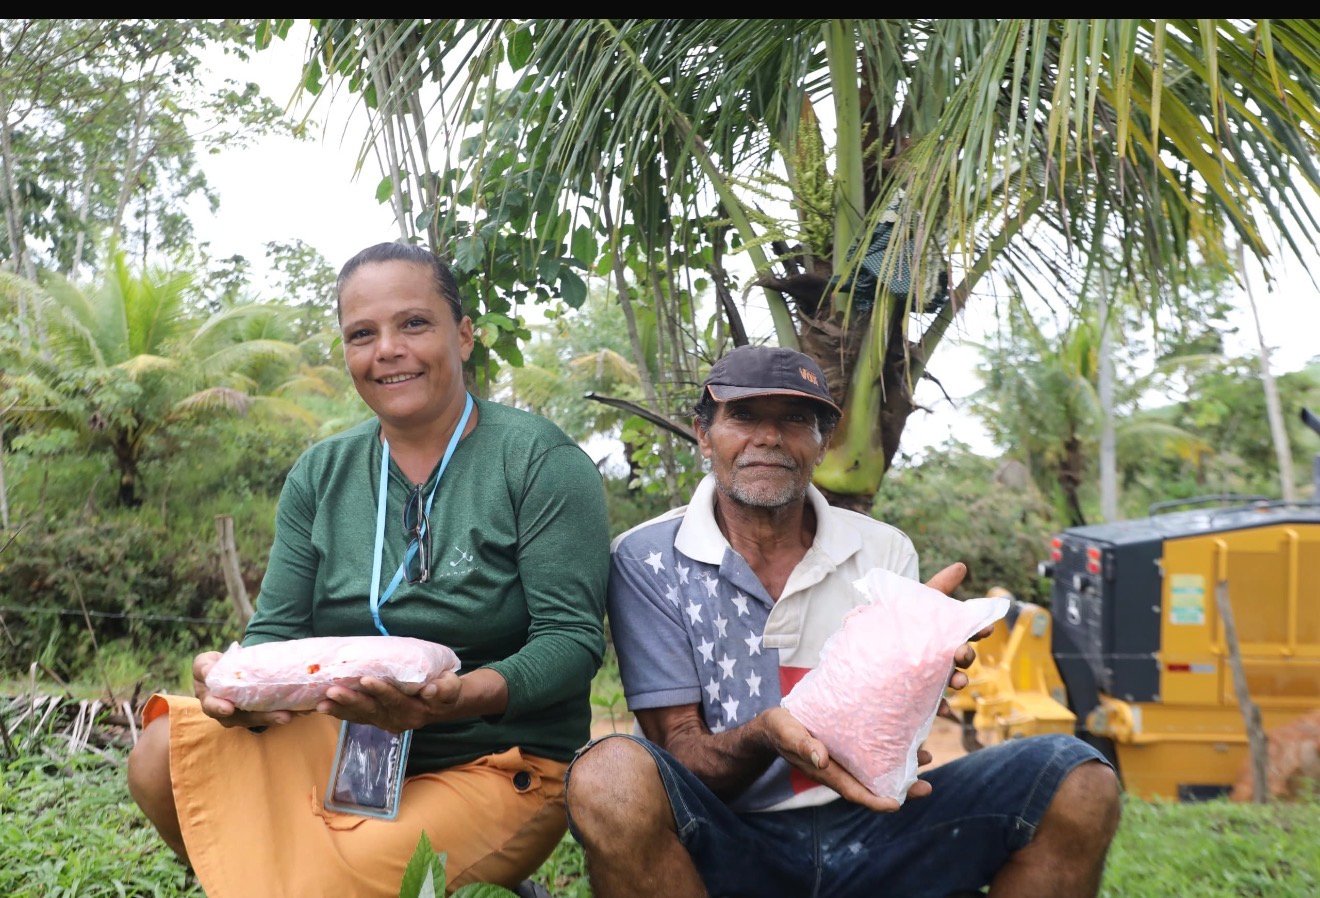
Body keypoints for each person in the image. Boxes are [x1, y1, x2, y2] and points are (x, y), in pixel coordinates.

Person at [127, 242, 611, 896]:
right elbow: (277, 630)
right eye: (362, 334)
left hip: (495, 760)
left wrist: (457, 699)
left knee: (325, 880)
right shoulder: (321, 474)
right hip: (342, 746)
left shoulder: (539, 463)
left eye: (414, 323)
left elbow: (572, 642)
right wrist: (234, 684)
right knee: (160, 758)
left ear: (463, 336)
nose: (387, 348)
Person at [564, 345, 1122, 898]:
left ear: (822, 441)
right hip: (725, 835)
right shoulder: (647, 558)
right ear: (705, 434)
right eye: (744, 416)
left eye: (795, 420)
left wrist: (923, 674)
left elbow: (891, 740)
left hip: (871, 829)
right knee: (608, 774)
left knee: (1077, 778)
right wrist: (766, 734)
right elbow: (680, 751)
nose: (769, 438)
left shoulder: (883, 552)